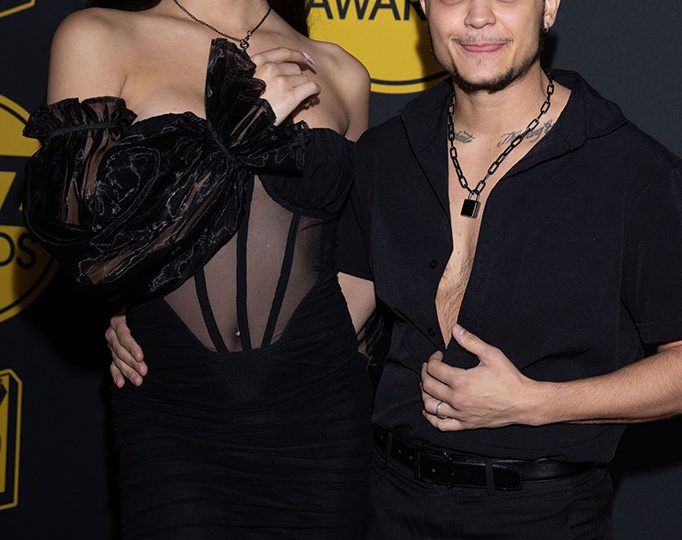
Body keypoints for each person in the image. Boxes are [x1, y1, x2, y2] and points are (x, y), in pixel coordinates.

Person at [107, 0, 682, 538]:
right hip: (383, 503)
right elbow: (331, 311)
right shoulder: (386, 152)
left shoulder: (631, 170)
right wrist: (154, 316)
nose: (478, 16)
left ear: (549, 5)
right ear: (424, 7)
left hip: (542, 514)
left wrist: (535, 402)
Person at [23, 0, 377, 538]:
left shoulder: (341, 70)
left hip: (321, 415)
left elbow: (359, 250)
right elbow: (78, 233)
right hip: (174, 409)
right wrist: (233, 132)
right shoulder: (99, 36)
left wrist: (313, 353)